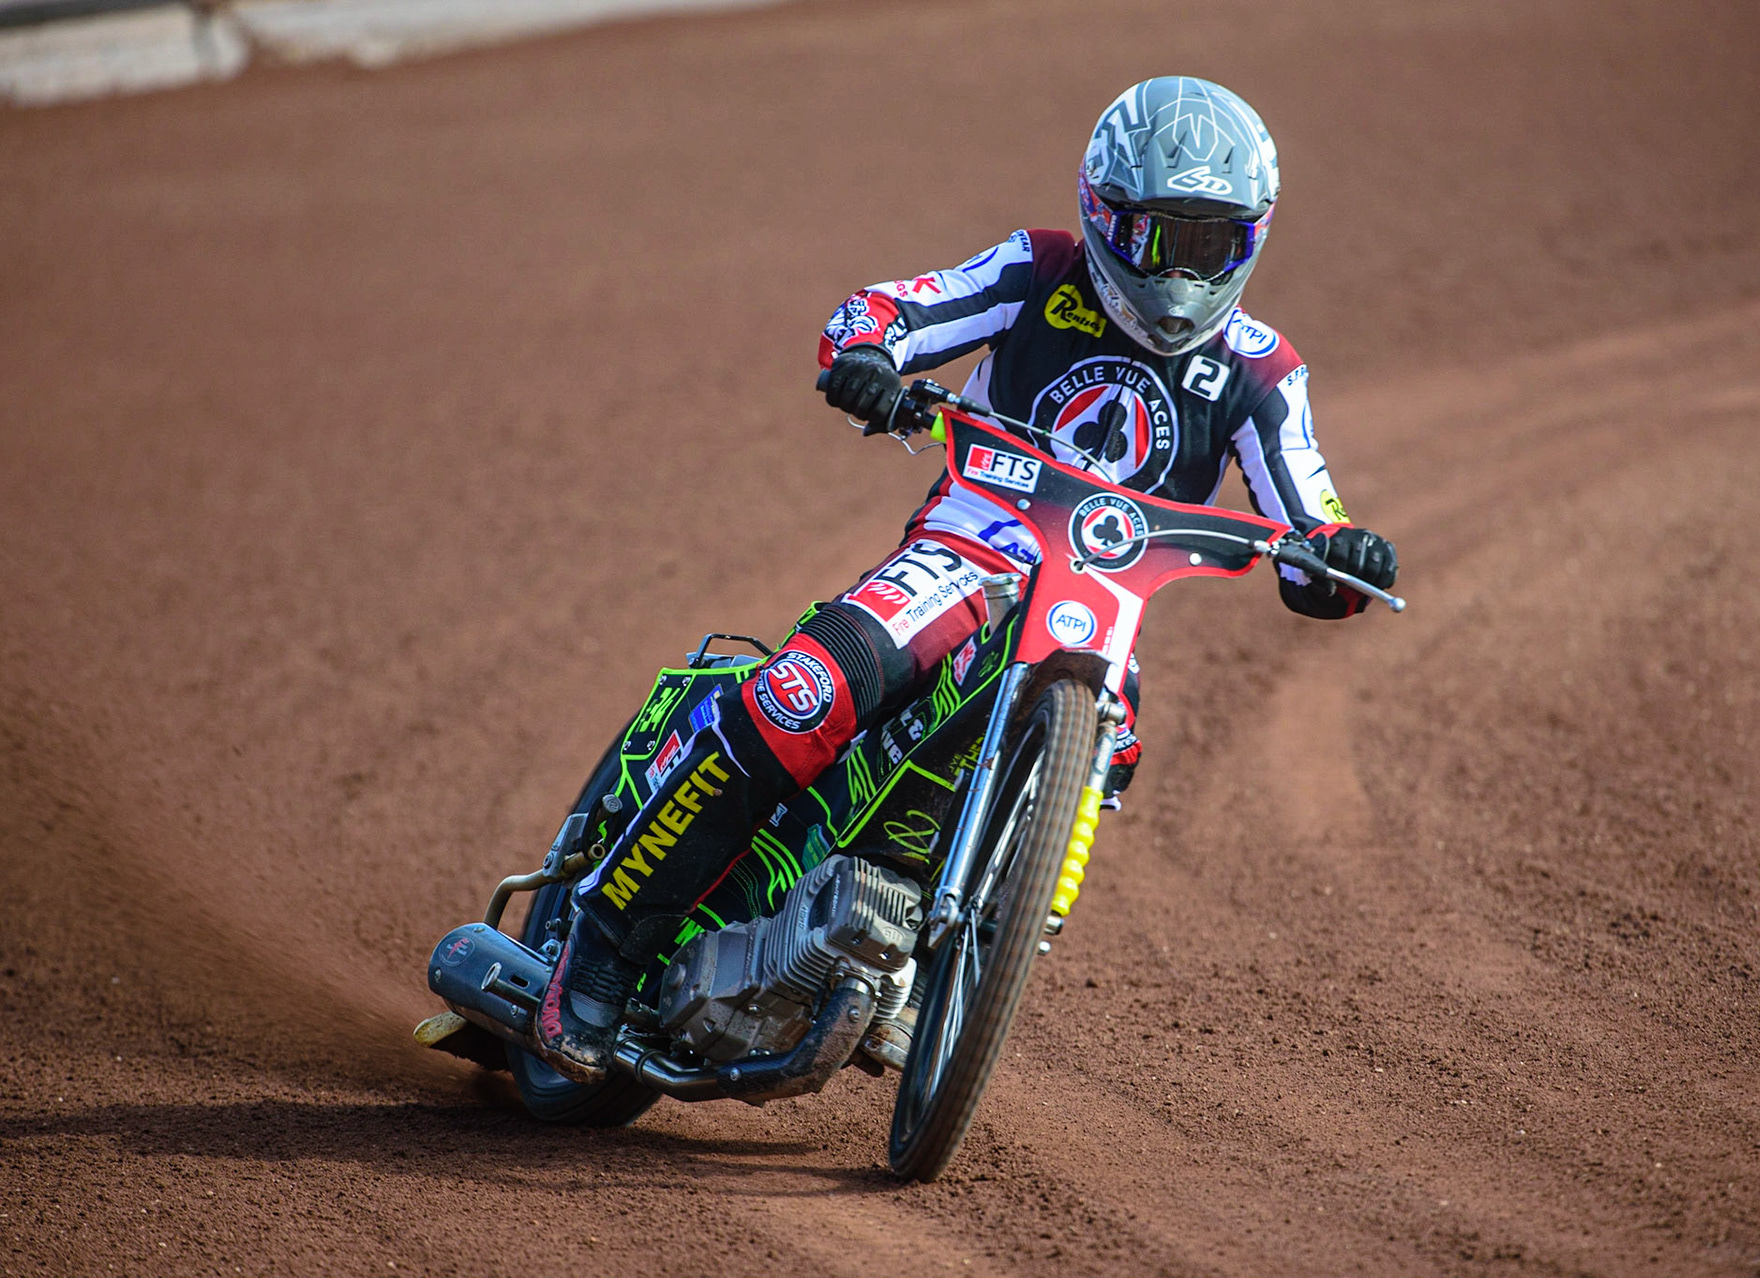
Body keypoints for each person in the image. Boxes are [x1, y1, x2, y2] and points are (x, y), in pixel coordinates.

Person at [532, 76, 1400, 1081]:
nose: (1182, 270)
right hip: (968, 555)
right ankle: (599, 950)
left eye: (1212, 243)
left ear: (1252, 239)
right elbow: (888, 311)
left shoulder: (1263, 368)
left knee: (1105, 758)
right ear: (1106, 215)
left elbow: (1314, 520)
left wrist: (1344, 557)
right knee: (799, 693)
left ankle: (941, 970)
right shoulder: (1040, 272)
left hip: (1102, 619)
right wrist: (867, 358)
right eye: (1161, 236)